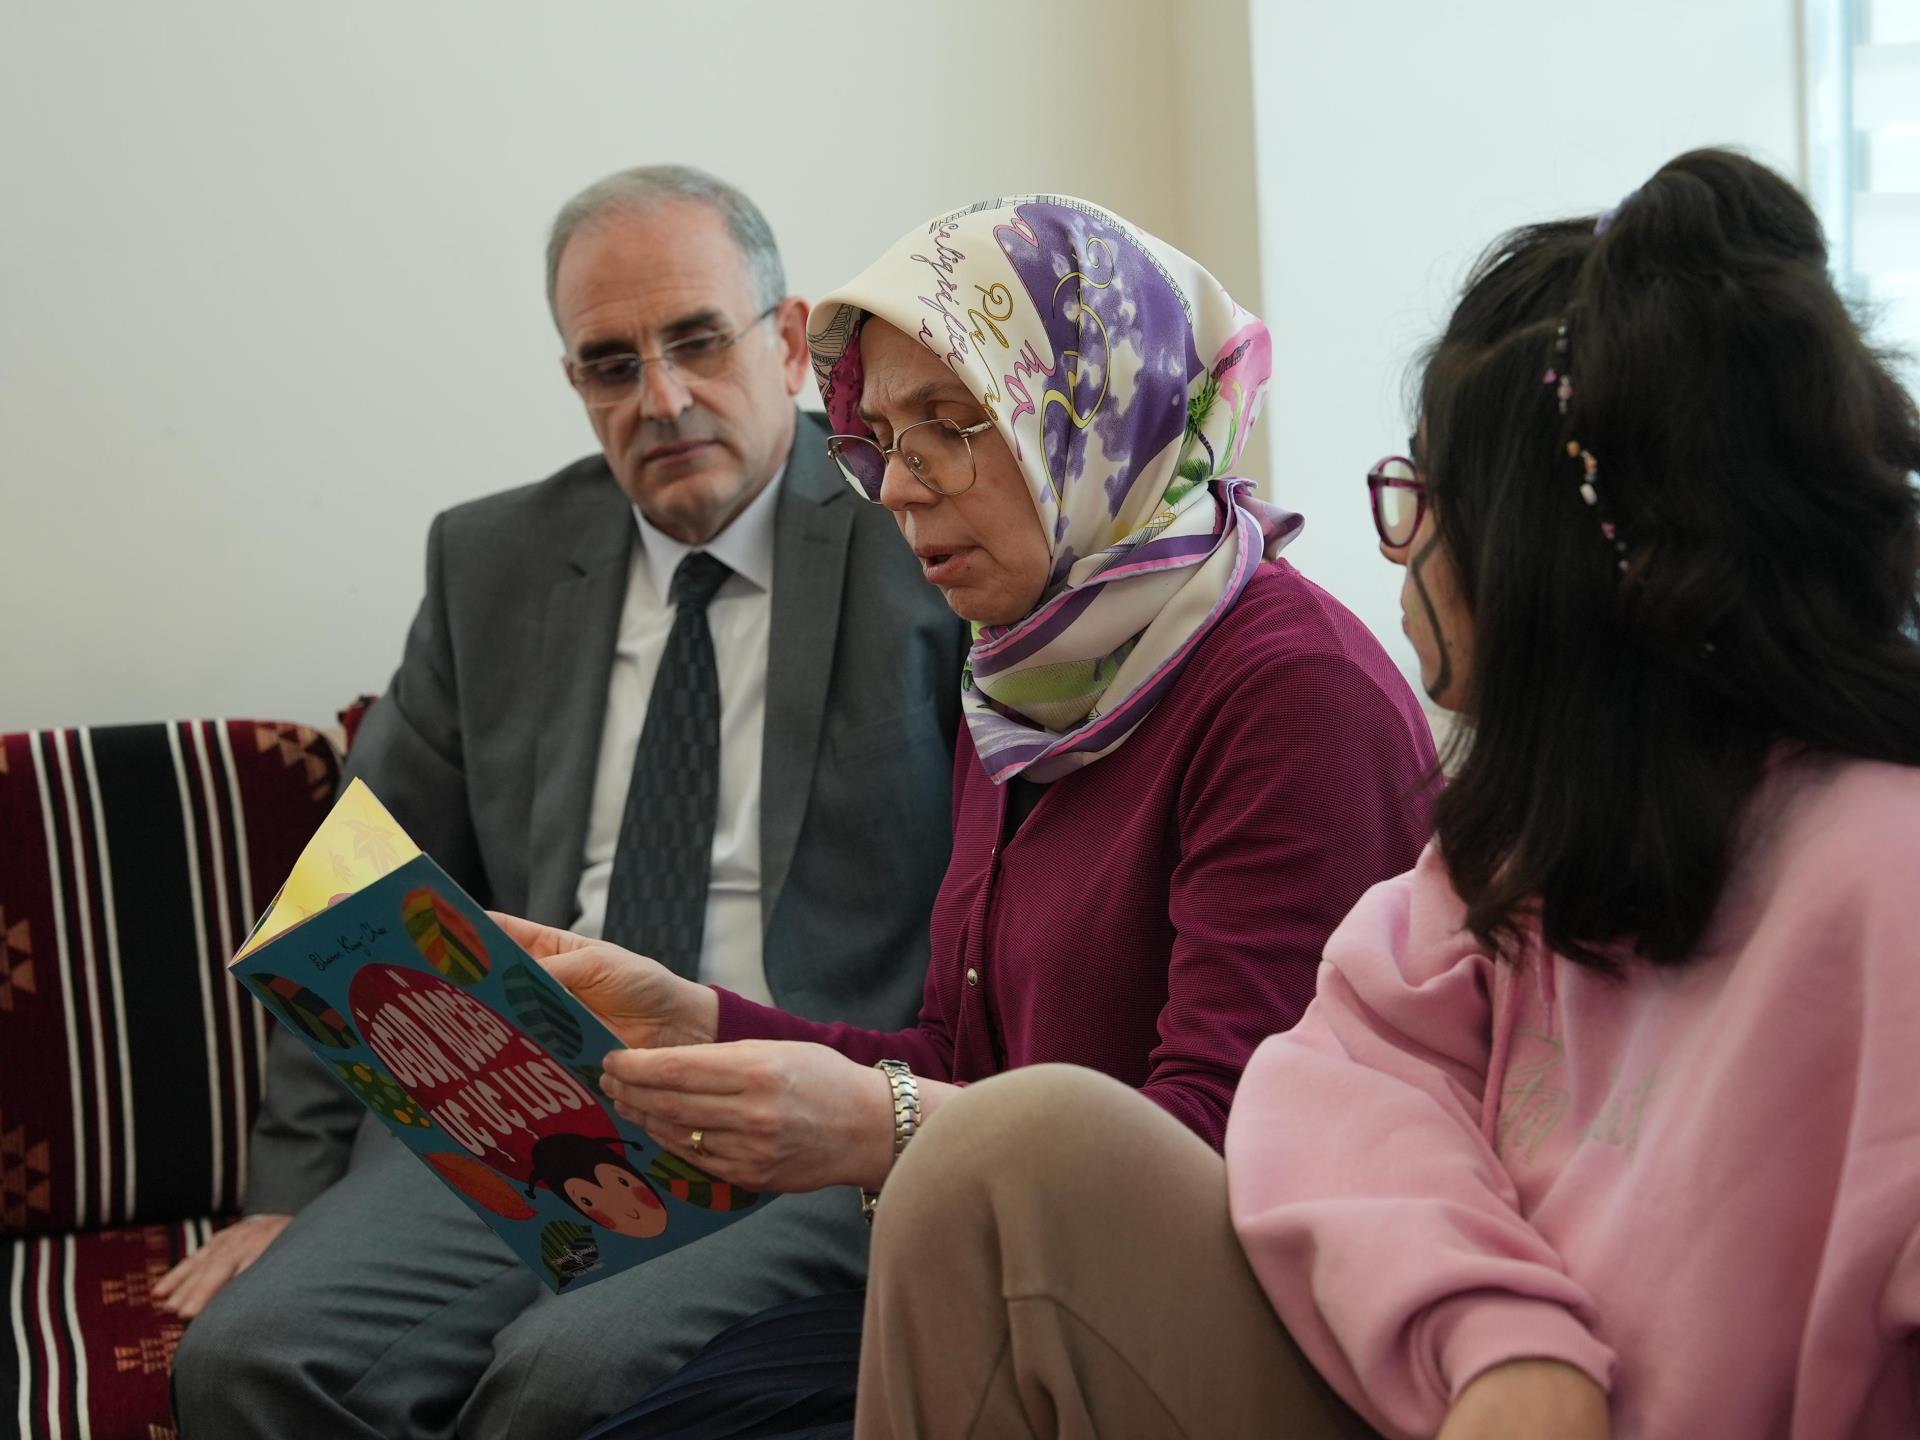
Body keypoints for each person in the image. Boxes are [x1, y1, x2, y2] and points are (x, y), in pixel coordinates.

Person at [845, 149, 1920, 1440]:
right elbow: (1342, 1074)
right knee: (998, 1157)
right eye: (881, 439)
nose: (1398, 546)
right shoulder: (1524, 833)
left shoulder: (1880, 876)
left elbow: (1226, 1105)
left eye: (1428, 496)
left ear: (1554, 547)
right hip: (1433, 1383)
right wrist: (1498, 1336)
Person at [505, 195, 1438, 1437]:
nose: (896, 487)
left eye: (951, 425)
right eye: (883, 437)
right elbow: (967, 1056)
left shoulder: (1290, 693)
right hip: (1011, 1279)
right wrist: (698, 1019)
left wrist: (877, 1127)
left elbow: (1225, 1153)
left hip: (1208, 1337)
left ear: (1093, 413)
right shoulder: (1031, 672)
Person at [165, 164, 967, 1440]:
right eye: (611, 364)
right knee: (247, 1359)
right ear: (575, 382)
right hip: (533, 1103)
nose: (663, 398)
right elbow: (357, 895)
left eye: (699, 341)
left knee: (569, 1380)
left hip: (802, 1106)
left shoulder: (922, 537)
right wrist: (288, 1192)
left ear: (790, 340)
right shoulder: (491, 562)